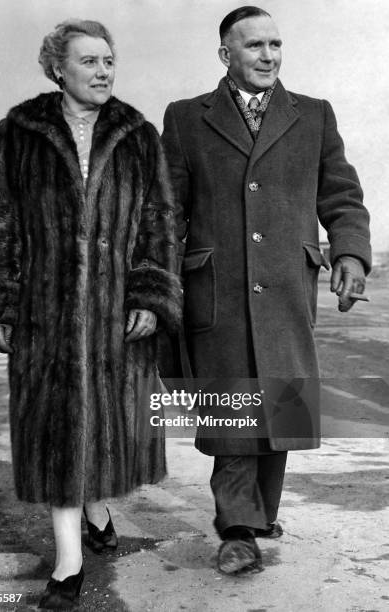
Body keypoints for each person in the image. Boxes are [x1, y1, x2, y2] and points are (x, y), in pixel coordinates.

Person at [0, 19, 182, 609]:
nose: (104, 71)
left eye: (109, 60)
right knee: (57, 432)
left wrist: (150, 297)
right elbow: (0, 221)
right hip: (46, 315)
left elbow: (159, 225)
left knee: (108, 429)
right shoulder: (20, 131)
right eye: (89, 61)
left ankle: (97, 508)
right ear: (58, 67)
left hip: (116, 317)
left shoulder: (137, 133)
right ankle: (68, 564)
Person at [161, 6, 371, 575]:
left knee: (279, 408)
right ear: (226, 54)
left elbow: (342, 197)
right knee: (233, 408)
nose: (268, 55)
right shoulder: (184, 118)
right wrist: (153, 281)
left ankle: (259, 514)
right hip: (217, 287)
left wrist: (349, 252)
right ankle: (237, 529)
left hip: (286, 286)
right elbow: (167, 209)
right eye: (254, 46)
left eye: (275, 44)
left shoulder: (314, 116)